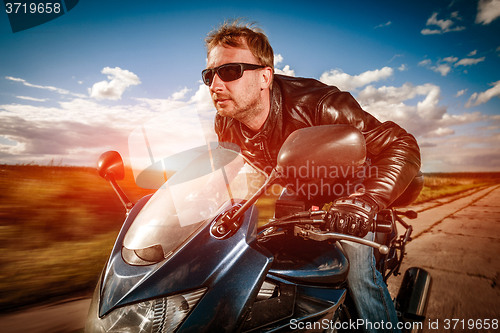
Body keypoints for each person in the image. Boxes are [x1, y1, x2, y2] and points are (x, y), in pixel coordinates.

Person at [202, 19, 420, 333]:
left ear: (265, 76)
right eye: (209, 74)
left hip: (356, 189)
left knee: (357, 271)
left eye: (230, 71)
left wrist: (364, 202)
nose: (215, 85)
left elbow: (401, 144)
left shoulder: (320, 105)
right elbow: (224, 175)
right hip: (304, 189)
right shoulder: (227, 120)